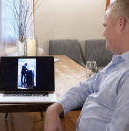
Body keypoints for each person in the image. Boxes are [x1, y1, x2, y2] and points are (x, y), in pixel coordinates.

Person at [44, 0, 129, 131]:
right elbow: (88, 86)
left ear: (120, 24)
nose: (103, 33)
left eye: (105, 26)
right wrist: (55, 108)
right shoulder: (118, 62)